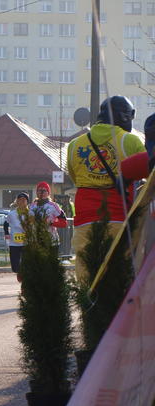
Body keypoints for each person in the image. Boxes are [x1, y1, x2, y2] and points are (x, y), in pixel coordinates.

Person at [66, 96, 146, 281]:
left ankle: (87, 299)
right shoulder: (129, 141)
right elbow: (147, 172)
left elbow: (75, 178)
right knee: (118, 273)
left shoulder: (74, 145)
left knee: (86, 270)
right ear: (125, 116)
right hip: (117, 217)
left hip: (84, 218)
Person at [4, 192, 30, 283]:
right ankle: (20, 272)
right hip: (14, 243)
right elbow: (6, 223)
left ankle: (25, 280)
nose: (22, 201)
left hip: (27, 242)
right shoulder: (12, 214)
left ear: (27, 202)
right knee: (15, 267)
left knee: (27, 264)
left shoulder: (31, 213)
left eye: (24, 200)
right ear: (17, 202)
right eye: (20, 200)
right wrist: (6, 233)